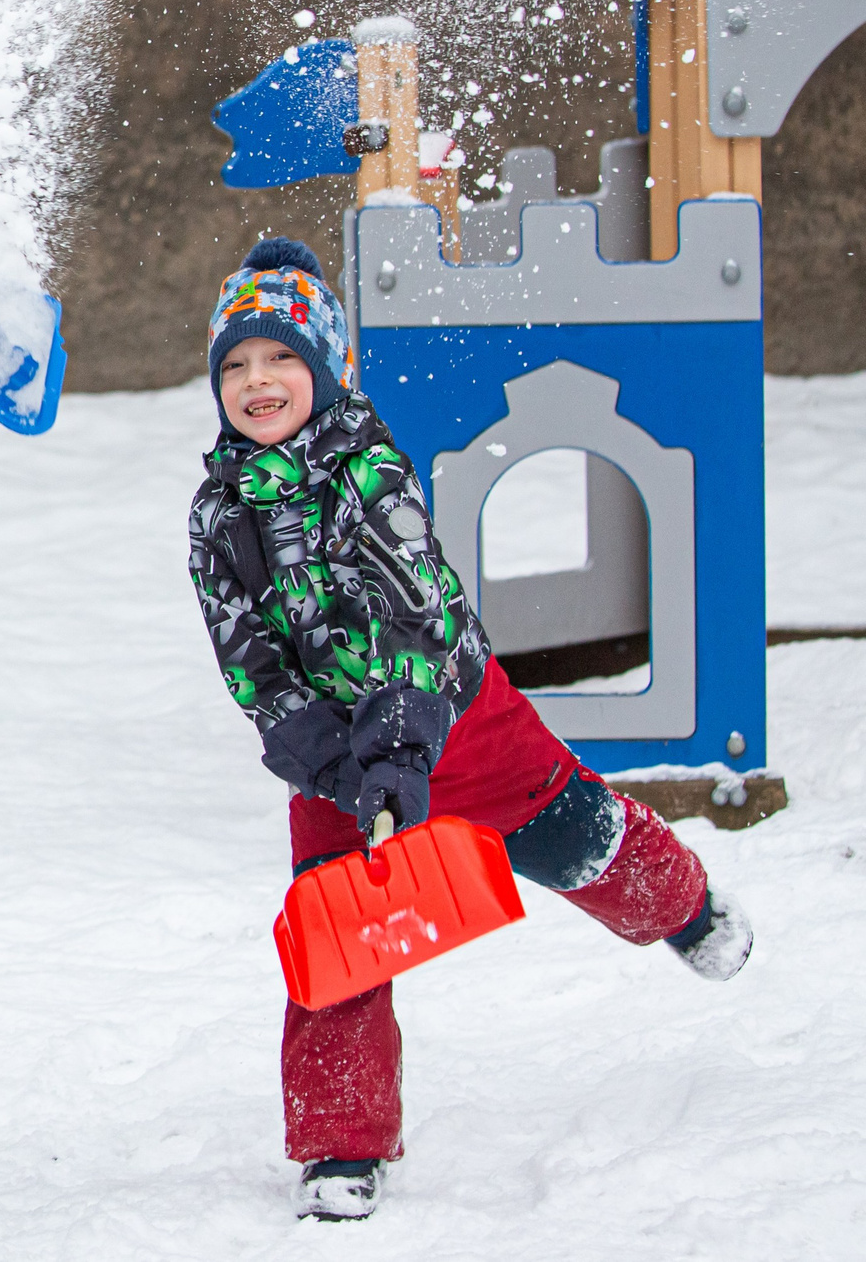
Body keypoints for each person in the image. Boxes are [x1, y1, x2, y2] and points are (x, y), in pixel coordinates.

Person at [187, 239, 753, 1222]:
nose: (256, 380)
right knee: (339, 938)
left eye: (280, 357)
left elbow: (415, 614)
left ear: (324, 371)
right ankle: (338, 1145)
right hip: (335, 761)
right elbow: (246, 653)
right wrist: (323, 756)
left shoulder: (369, 474)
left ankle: (686, 908)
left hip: (455, 721)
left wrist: (400, 744)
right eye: (234, 365)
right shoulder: (215, 511)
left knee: (579, 840)